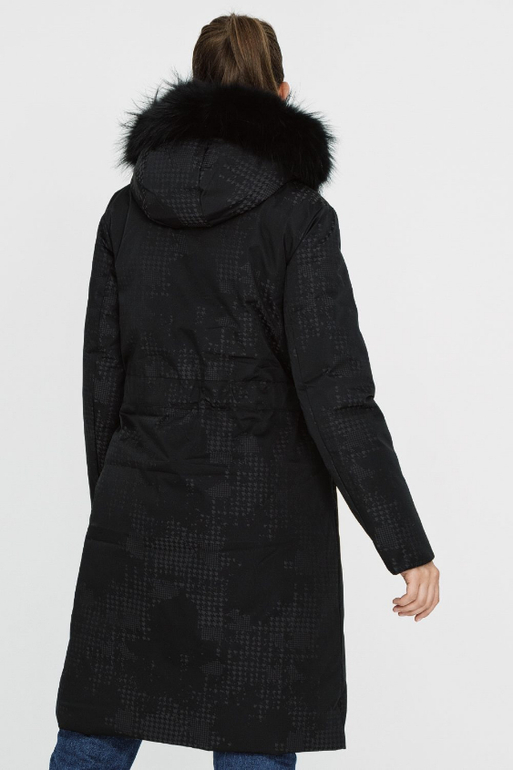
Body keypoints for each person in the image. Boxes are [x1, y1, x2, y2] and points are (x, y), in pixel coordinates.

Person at [49, 11, 439, 770]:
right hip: (265, 531)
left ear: (193, 91)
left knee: (101, 722)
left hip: (140, 510)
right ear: (282, 93)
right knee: (254, 729)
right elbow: (335, 392)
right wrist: (404, 544)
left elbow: (101, 378)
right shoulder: (298, 217)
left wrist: (118, 502)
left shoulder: (125, 212)